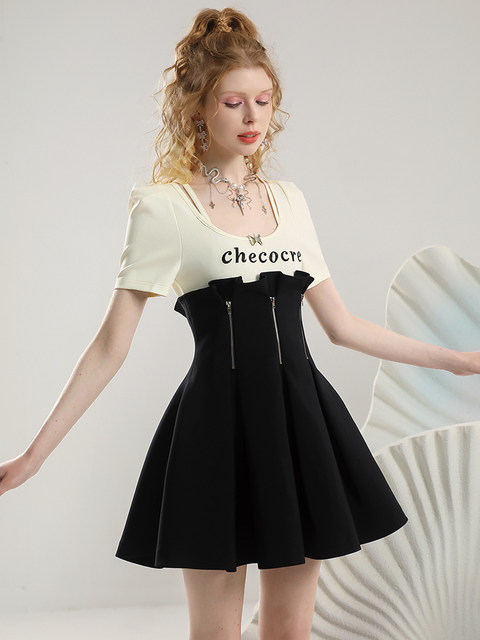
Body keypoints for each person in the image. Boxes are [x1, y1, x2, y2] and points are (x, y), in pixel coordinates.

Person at [1, 7, 479, 640]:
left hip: (300, 424)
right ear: (199, 108)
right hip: (213, 431)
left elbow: (342, 327)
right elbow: (111, 346)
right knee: (216, 634)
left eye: (263, 100)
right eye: (233, 103)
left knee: (290, 630)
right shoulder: (163, 208)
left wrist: (460, 360)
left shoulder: (290, 202)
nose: (252, 117)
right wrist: (34, 455)